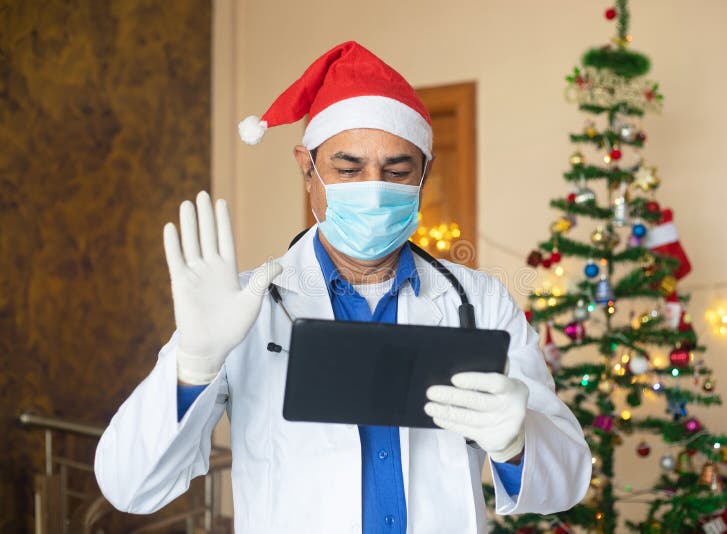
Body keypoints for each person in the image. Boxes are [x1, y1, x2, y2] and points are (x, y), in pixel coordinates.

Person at [95, 41, 591, 533]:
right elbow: (130, 486)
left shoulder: (479, 301)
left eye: (397, 170)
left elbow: (565, 485)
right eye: (348, 169)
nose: (373, 188)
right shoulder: (241, 308)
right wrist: (193, 366)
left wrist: (516, 444)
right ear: (306, 167)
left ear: (425, 174)